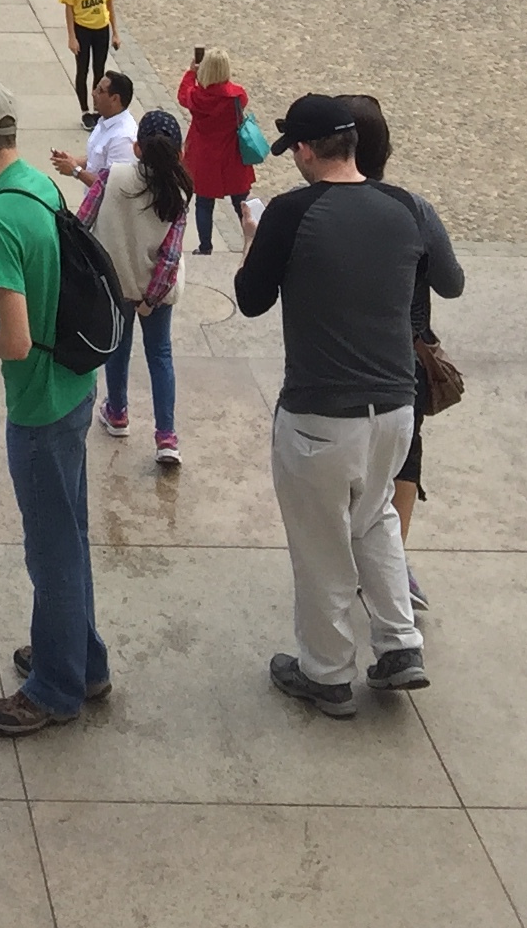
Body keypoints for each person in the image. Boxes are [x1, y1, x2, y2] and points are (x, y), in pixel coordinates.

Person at [235, 94, 463, 714]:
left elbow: (251, 300)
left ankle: (327, 672)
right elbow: (452, 280)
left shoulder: (288, 213)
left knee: (320, 544)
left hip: (319, 412)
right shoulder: (410, 207)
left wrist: (256, 242)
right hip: (394, 406)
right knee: (376, 516)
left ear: (306, 151)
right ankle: (398, 646)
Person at [0, 77, 105, 735]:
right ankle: (81, 659)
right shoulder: (38, 185)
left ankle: (53, 689)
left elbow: (14, 342)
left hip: (39, 402)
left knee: (50, 552)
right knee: (69, 536)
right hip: (75, 386)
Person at [349, 94, 440, 622]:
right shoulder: (414, 208)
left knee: (349, 460)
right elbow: (450, 281)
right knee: (405, 455)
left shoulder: (321, 207)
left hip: (346, 354)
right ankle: (393, 560)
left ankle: (366, 557)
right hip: (404, 353)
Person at [85, 106, 189, 464]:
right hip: (155, 293)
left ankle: (117, 411)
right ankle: (166, 436)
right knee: (160, 354)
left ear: (136, 147)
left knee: (118, 348)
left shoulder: (112, 177)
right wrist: (152, 297)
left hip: (116, 284)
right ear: (179, 152)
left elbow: (83, 223)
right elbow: (171, 256)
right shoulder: (177, 193)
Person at [178, 47, 257, 251]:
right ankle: (256, 241)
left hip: (204, 156)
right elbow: (241, 101)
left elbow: (182, 95)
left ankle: (205, 246)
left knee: (204, 204)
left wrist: (191, 72)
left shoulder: (196, 96)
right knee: (242, 203)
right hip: (232, 154)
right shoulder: (237, 96)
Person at [58, 0, 118, 124]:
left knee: (99, 70)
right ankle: (85, 111)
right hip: (83, 28)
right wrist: (71, 36)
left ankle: (97, 108)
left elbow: (109, 3)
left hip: (101, 27)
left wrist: (115, 32)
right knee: (82, 70)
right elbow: (69, 7)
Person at [51, 71, 137, 191]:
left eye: (100, 91)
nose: (93, 94)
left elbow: (111, 187)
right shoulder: (104, 120)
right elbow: (95, 161)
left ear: (114, 99)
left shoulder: (123, 138)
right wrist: (70, 161)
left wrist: (76, 170)